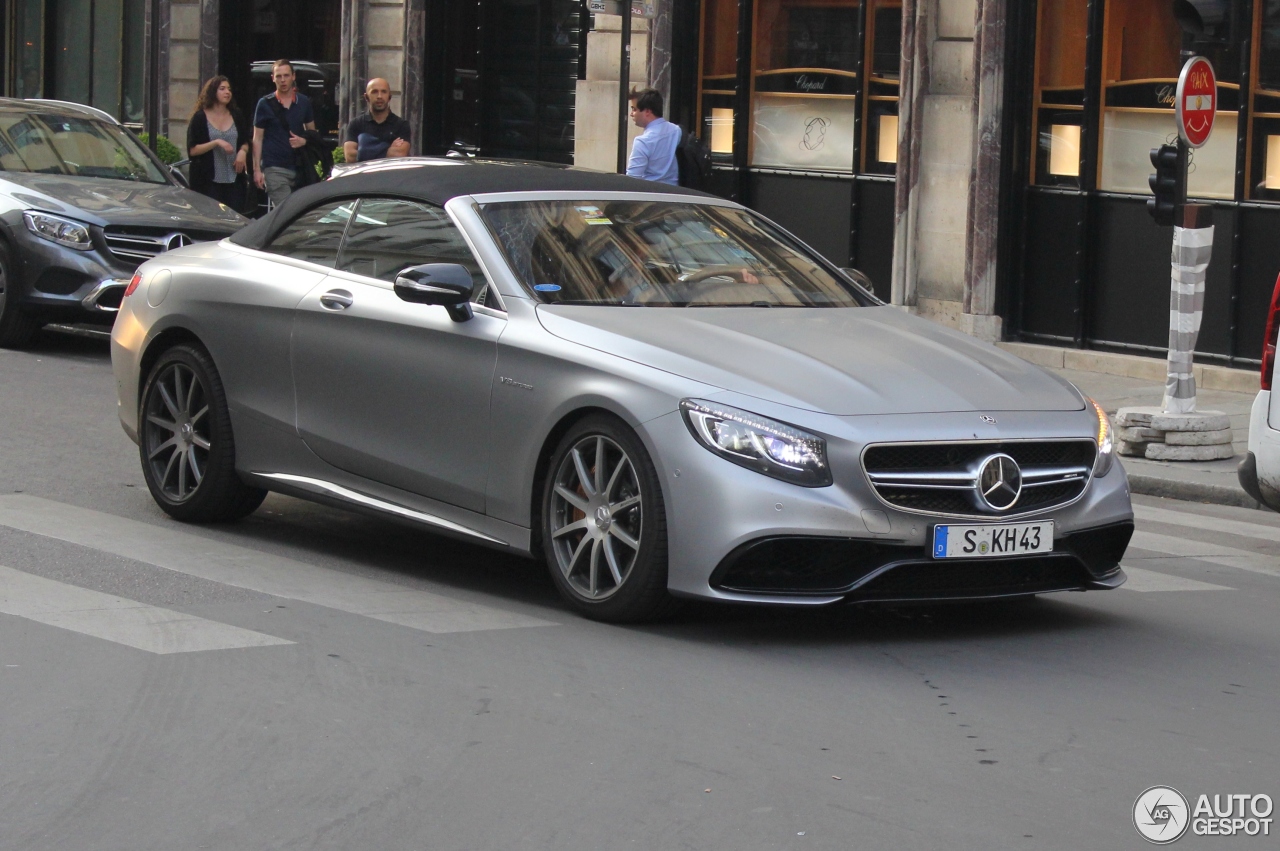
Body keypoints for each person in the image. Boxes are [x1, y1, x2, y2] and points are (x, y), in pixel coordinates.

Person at [252, 59, 316, 207]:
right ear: (273, 78)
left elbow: (312, 133)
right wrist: (257, 170)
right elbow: (257, 138)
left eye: (286, 75)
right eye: (279, 76)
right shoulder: (264, 104)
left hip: (300, 167)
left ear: (293, 76)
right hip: (274, 167)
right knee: (286, 210)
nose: (282, 80)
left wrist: (304, 141)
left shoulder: (304, 102)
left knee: (301, 212)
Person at [186, 76, 251, 211]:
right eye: (222, 89)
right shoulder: (200, 118)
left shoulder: (236, 115)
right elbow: (193, 150)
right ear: (212, 92)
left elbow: (245, 141)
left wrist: (243, 152)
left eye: (229, 89)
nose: (227, 92)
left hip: (234, 179)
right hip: (209, 181)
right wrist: (216, 142)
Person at [343, 78, 411, 162]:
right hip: (365, 175)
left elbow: (398, 155)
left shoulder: (401, 125)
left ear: (389, 96)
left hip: (390, 175)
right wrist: (387, 149)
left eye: (383, 92)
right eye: (374, 92)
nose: (379, 96)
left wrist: (363, 149)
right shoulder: (356, 124)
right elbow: (350, 157)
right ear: (366, 97)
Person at [626, 87, 681, 186]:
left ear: (647, 111)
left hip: (651, 195)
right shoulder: (676, 131)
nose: (631, 114)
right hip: (676, 193)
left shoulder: (642, 142)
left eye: (634, 109)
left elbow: (632, 180)